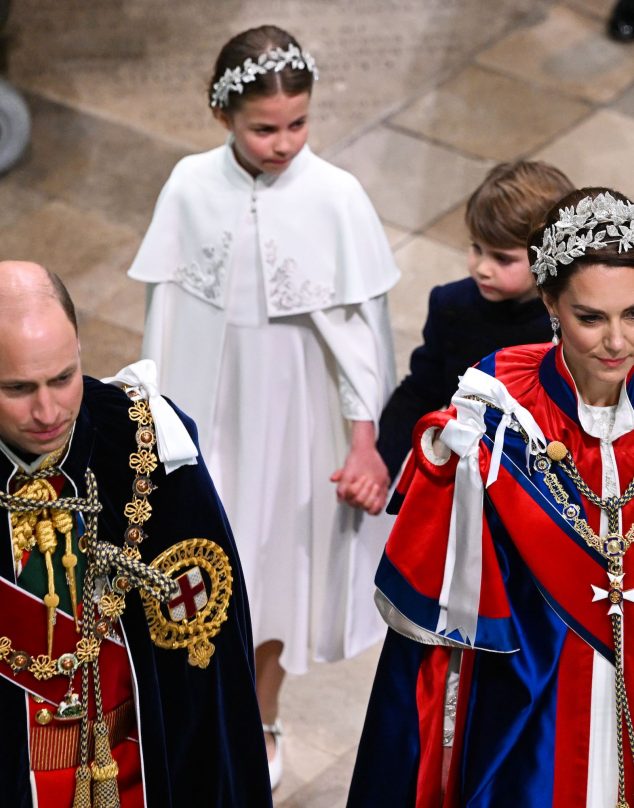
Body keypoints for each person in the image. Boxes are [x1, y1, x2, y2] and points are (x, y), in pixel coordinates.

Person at [127, 25, 400, 788]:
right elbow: (167, 317)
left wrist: (362, 436)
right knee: (208, 550)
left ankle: (261, 709)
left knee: (276, 561)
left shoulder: (336, 197)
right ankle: (195, 708)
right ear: (223, 118)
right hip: (213, 398)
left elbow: (355, 336)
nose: (284, 144)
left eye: (298, 124)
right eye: (264, 129)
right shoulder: (188, 185)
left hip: (295, 409)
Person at [348, 187, 634, 806]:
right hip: (530, 694)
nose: (617, 342)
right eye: (592, 318)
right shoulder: (498, 407)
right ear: (552, 302)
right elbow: (456, 595)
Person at [0, 261, 272, 807]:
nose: (48, 411)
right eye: (17, 388)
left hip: (141, 766)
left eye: (62, 378)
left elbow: (210, 671)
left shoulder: (146, 443)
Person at [376, 160, 574, 483]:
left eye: (502, 258)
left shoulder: (565, 322)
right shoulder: (451, 305)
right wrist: (383, 459)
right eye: (476, 248)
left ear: (549, 254)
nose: (481, 267)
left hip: (544, 477)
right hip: (468, 473)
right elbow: (421, 389)